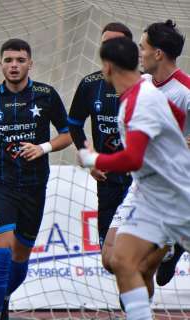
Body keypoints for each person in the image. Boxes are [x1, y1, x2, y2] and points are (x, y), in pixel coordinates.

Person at [0, 38, 72, 320]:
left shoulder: (46, 95)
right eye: (8, 60)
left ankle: (4, 297)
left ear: (30, 63)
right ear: (1, 64)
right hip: (0, 186)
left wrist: (43, 148)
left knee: (20, 260)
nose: (14, 65)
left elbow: (70, 134)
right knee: (2, 255)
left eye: (20, 60)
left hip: (34, 187)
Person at [77, 36, 190, 320]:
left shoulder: (140, 100)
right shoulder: (143, 92)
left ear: (106, 67)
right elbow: (175, 118)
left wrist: (92, 159)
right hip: (154, 197)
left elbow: (133, 159)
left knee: (125, 261)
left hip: (179, 196)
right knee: (122, 260)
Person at [67, 22, 134, 257]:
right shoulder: (89, 84)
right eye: (105, 43)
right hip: (107, 178)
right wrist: (90, 158)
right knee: (109, 256)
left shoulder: (147, 84)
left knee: (135, 254)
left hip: (142, 181)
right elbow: (74, 124)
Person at [138, 20, 189, 287]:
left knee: (137, 266)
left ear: (158, 53)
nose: (139, 53)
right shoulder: (143, 83)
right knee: (112, 259)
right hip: (145, 183)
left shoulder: (185, 91)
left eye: (142, 47)